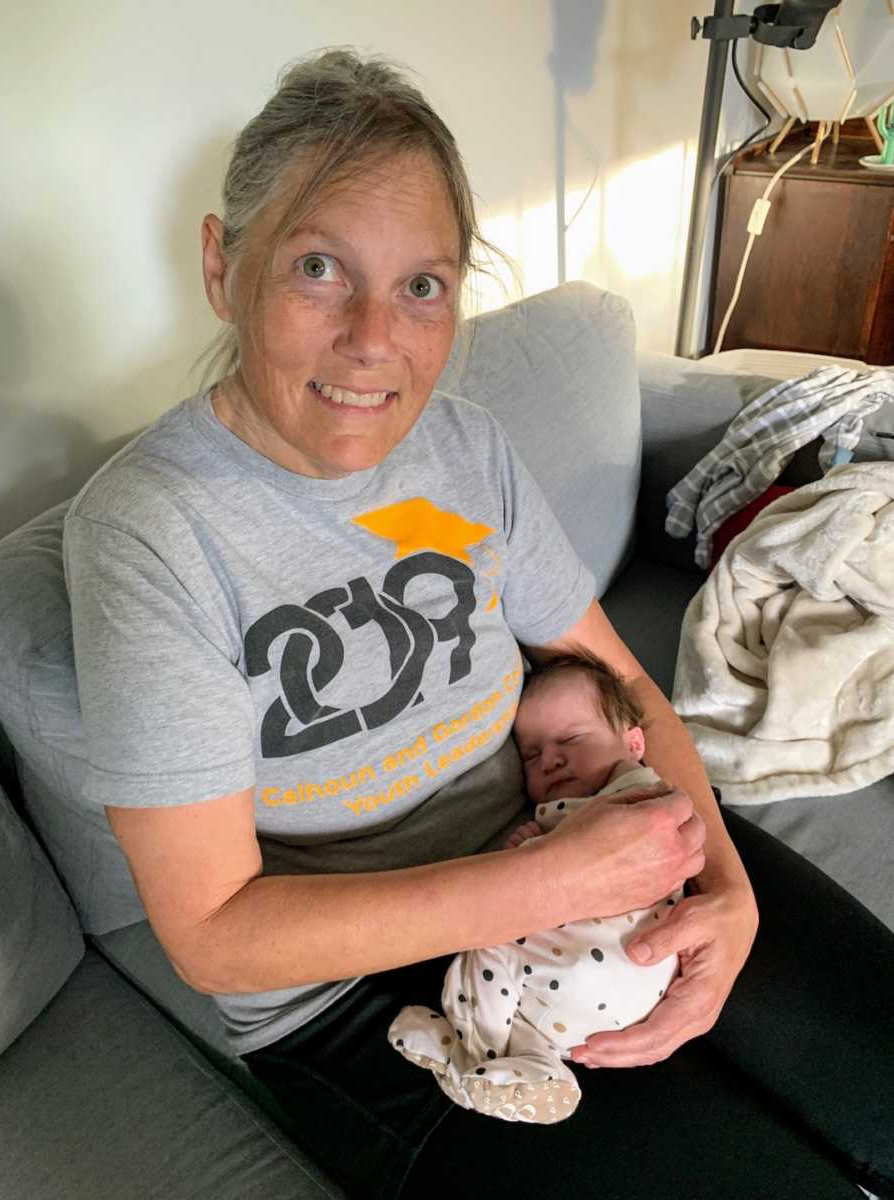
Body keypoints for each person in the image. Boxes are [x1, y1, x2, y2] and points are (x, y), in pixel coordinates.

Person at [63, 48, 894, 1200]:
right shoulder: (146, 534)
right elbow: (214, 934)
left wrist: (724, 886)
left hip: (581, 840)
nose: (375, 340)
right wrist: (542, 889)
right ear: (221, 263)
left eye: (423, 285)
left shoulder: (465, 447)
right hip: (370, 1003)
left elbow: (619, 682)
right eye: (318, 267)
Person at [388, 652, 683, 1125]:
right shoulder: (578, 806)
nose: (550, 759)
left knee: (489, 936)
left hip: (609, 961)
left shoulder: (636, 792)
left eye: (571, 738)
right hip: (602, 1002)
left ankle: (469, 1062)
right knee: (502, 952)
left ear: (633, 743)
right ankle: (536, 1068)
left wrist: (529, 856)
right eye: (531, 754)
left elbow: (592, 850)